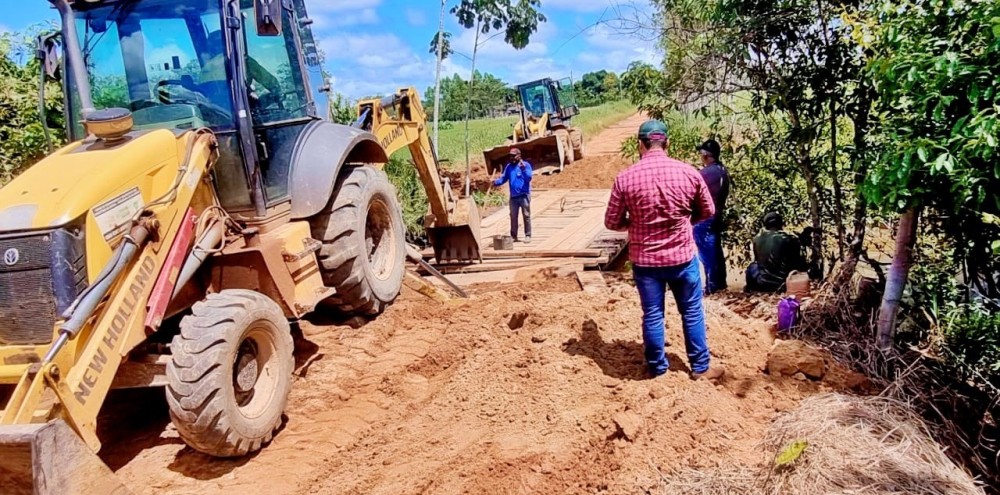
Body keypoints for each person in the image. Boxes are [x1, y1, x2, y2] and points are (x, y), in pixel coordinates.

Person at [604, 119, 725, 381]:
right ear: (667, 143)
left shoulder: (625, 178)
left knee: (653, 314)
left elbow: (612, 222)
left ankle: (657, 369)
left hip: (646, 262)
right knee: (692, 311)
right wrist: (684, 221)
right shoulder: (689, 173)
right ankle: (701, 368)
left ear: (640, 145)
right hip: (682, 258)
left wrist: (636, 223)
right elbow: (708, 210)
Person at [693, 139, 731, 294]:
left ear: (705, 155)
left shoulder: (705, 174)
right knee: (715, 249)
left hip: (705, 218)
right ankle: (720, 283)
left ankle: (711, 286)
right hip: (717, 216)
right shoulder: (722, 171)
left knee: (706, 252)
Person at [745, 212, 809, 292]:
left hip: (762, 283)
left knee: (753, 266)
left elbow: (758, 260)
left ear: (765, 225)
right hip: (782, 284)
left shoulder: (756, 239)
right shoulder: (789, 239)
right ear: (781, 223)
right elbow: (797, 262)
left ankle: (750, 289)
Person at [494, 148, 533, 243]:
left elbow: (529, 178)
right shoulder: (509, 167)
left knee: (526, 215)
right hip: (513, 197)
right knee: (513, 216)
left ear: (519, 156)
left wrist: (523, 170)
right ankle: (514, 236)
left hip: (524, 196)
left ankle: (528, 235)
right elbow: (503, 179)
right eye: (510, 155)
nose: (512, 157)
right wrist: (495, 182)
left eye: (514, 155)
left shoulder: (526, 165)